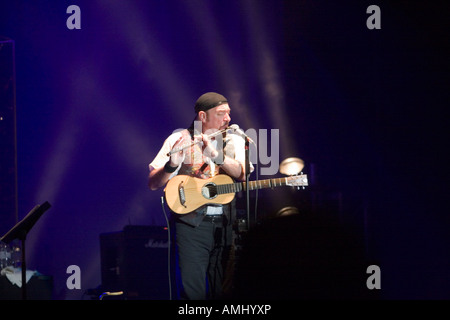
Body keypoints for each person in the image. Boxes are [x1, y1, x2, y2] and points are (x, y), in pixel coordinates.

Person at [148, 92, 252, 300]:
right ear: (203, 116)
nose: (228, 119)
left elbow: (242, 174)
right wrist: (172, 164)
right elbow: (153, 183)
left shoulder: (233, 138)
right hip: (191, 225)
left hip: (224, 223)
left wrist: (216, 155)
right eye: (221, 113)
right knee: (192, 290)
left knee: (222, 289)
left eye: (229, 113)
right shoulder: (178, 139)